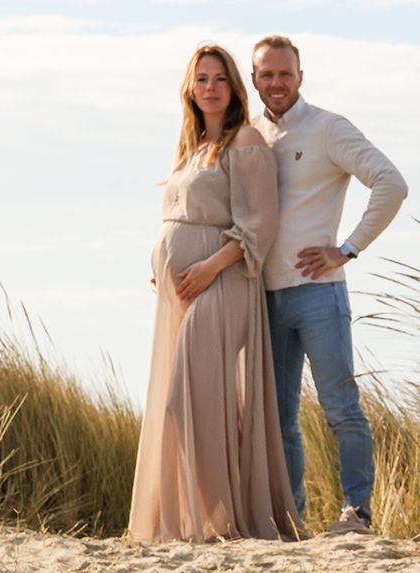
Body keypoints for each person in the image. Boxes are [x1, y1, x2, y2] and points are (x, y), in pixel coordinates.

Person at [129, 44, 302, 543]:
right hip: (180, 288)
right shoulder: (189, 148)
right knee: (192, 398)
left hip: (223, 282)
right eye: (201, 79)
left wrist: (206, 266)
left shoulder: (245, 140)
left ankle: (218, 518)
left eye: (219, 79)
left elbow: (259, 223)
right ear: (190, 88)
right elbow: (178, 217)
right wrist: (164, 262)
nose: (210, 87)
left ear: (234, 87)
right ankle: (195, 522)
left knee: (184, 402)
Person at [250, 36, 408, 534]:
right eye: (266, 75)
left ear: (300, 76)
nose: (276, 83)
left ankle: (357, 513)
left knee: (340, 406)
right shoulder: (249, 135)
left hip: (320, 293)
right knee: (278, 418)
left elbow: (391, 182)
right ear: (254, 80)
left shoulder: (327, 128)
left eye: (285, 74)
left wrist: (348, 247)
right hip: (263, 297)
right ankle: (290, 516)